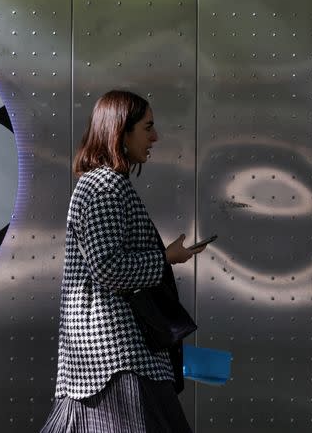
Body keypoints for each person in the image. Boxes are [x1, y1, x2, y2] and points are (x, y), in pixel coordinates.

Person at [40, 90, 206, 433]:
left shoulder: (107, 184)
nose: (155, 137)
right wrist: (164, 258)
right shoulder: (104, 186)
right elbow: (108, 267)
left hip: (113, 358)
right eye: (148, 127)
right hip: (116, 358)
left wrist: (166, 256)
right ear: (121, 132)